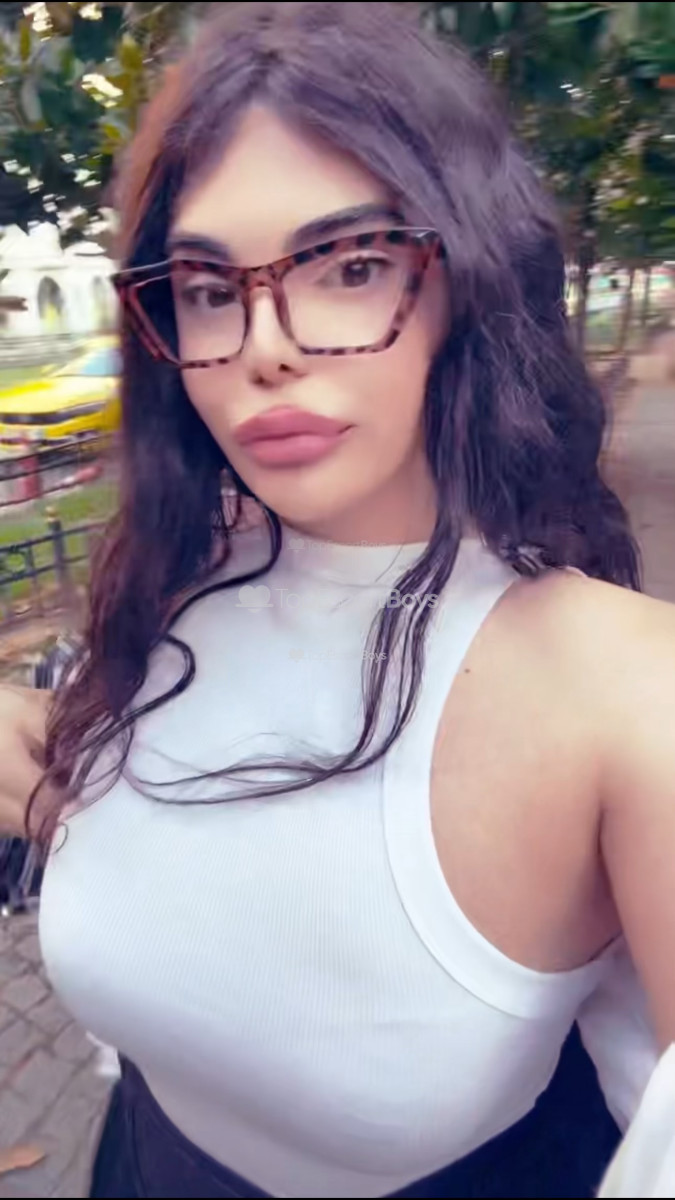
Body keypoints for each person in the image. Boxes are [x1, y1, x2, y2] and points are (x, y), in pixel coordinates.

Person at [2, 2, 675, 1196]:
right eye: (208, 288)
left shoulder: (628, 693)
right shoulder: (162, 596)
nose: (265, 345)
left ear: (467, 280)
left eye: (351, 267)